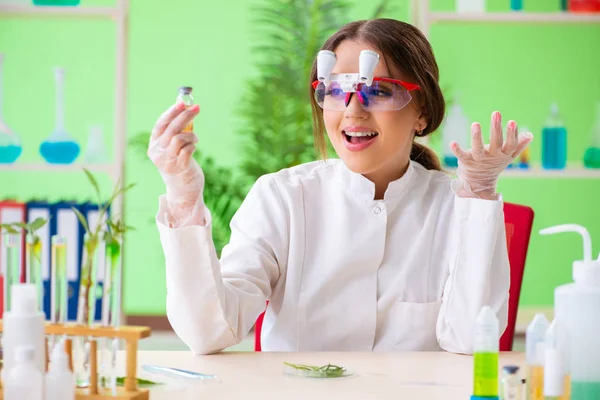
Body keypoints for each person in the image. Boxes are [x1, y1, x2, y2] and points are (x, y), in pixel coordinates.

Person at [147, 18, 532, 355]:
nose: (352, 110)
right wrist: (183, 201)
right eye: (334, 90)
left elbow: (471, 341)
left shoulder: (453, 207)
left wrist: (480, 194)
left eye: (378, 91)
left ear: (423, 113)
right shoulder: (282, 198)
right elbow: (209, 331)